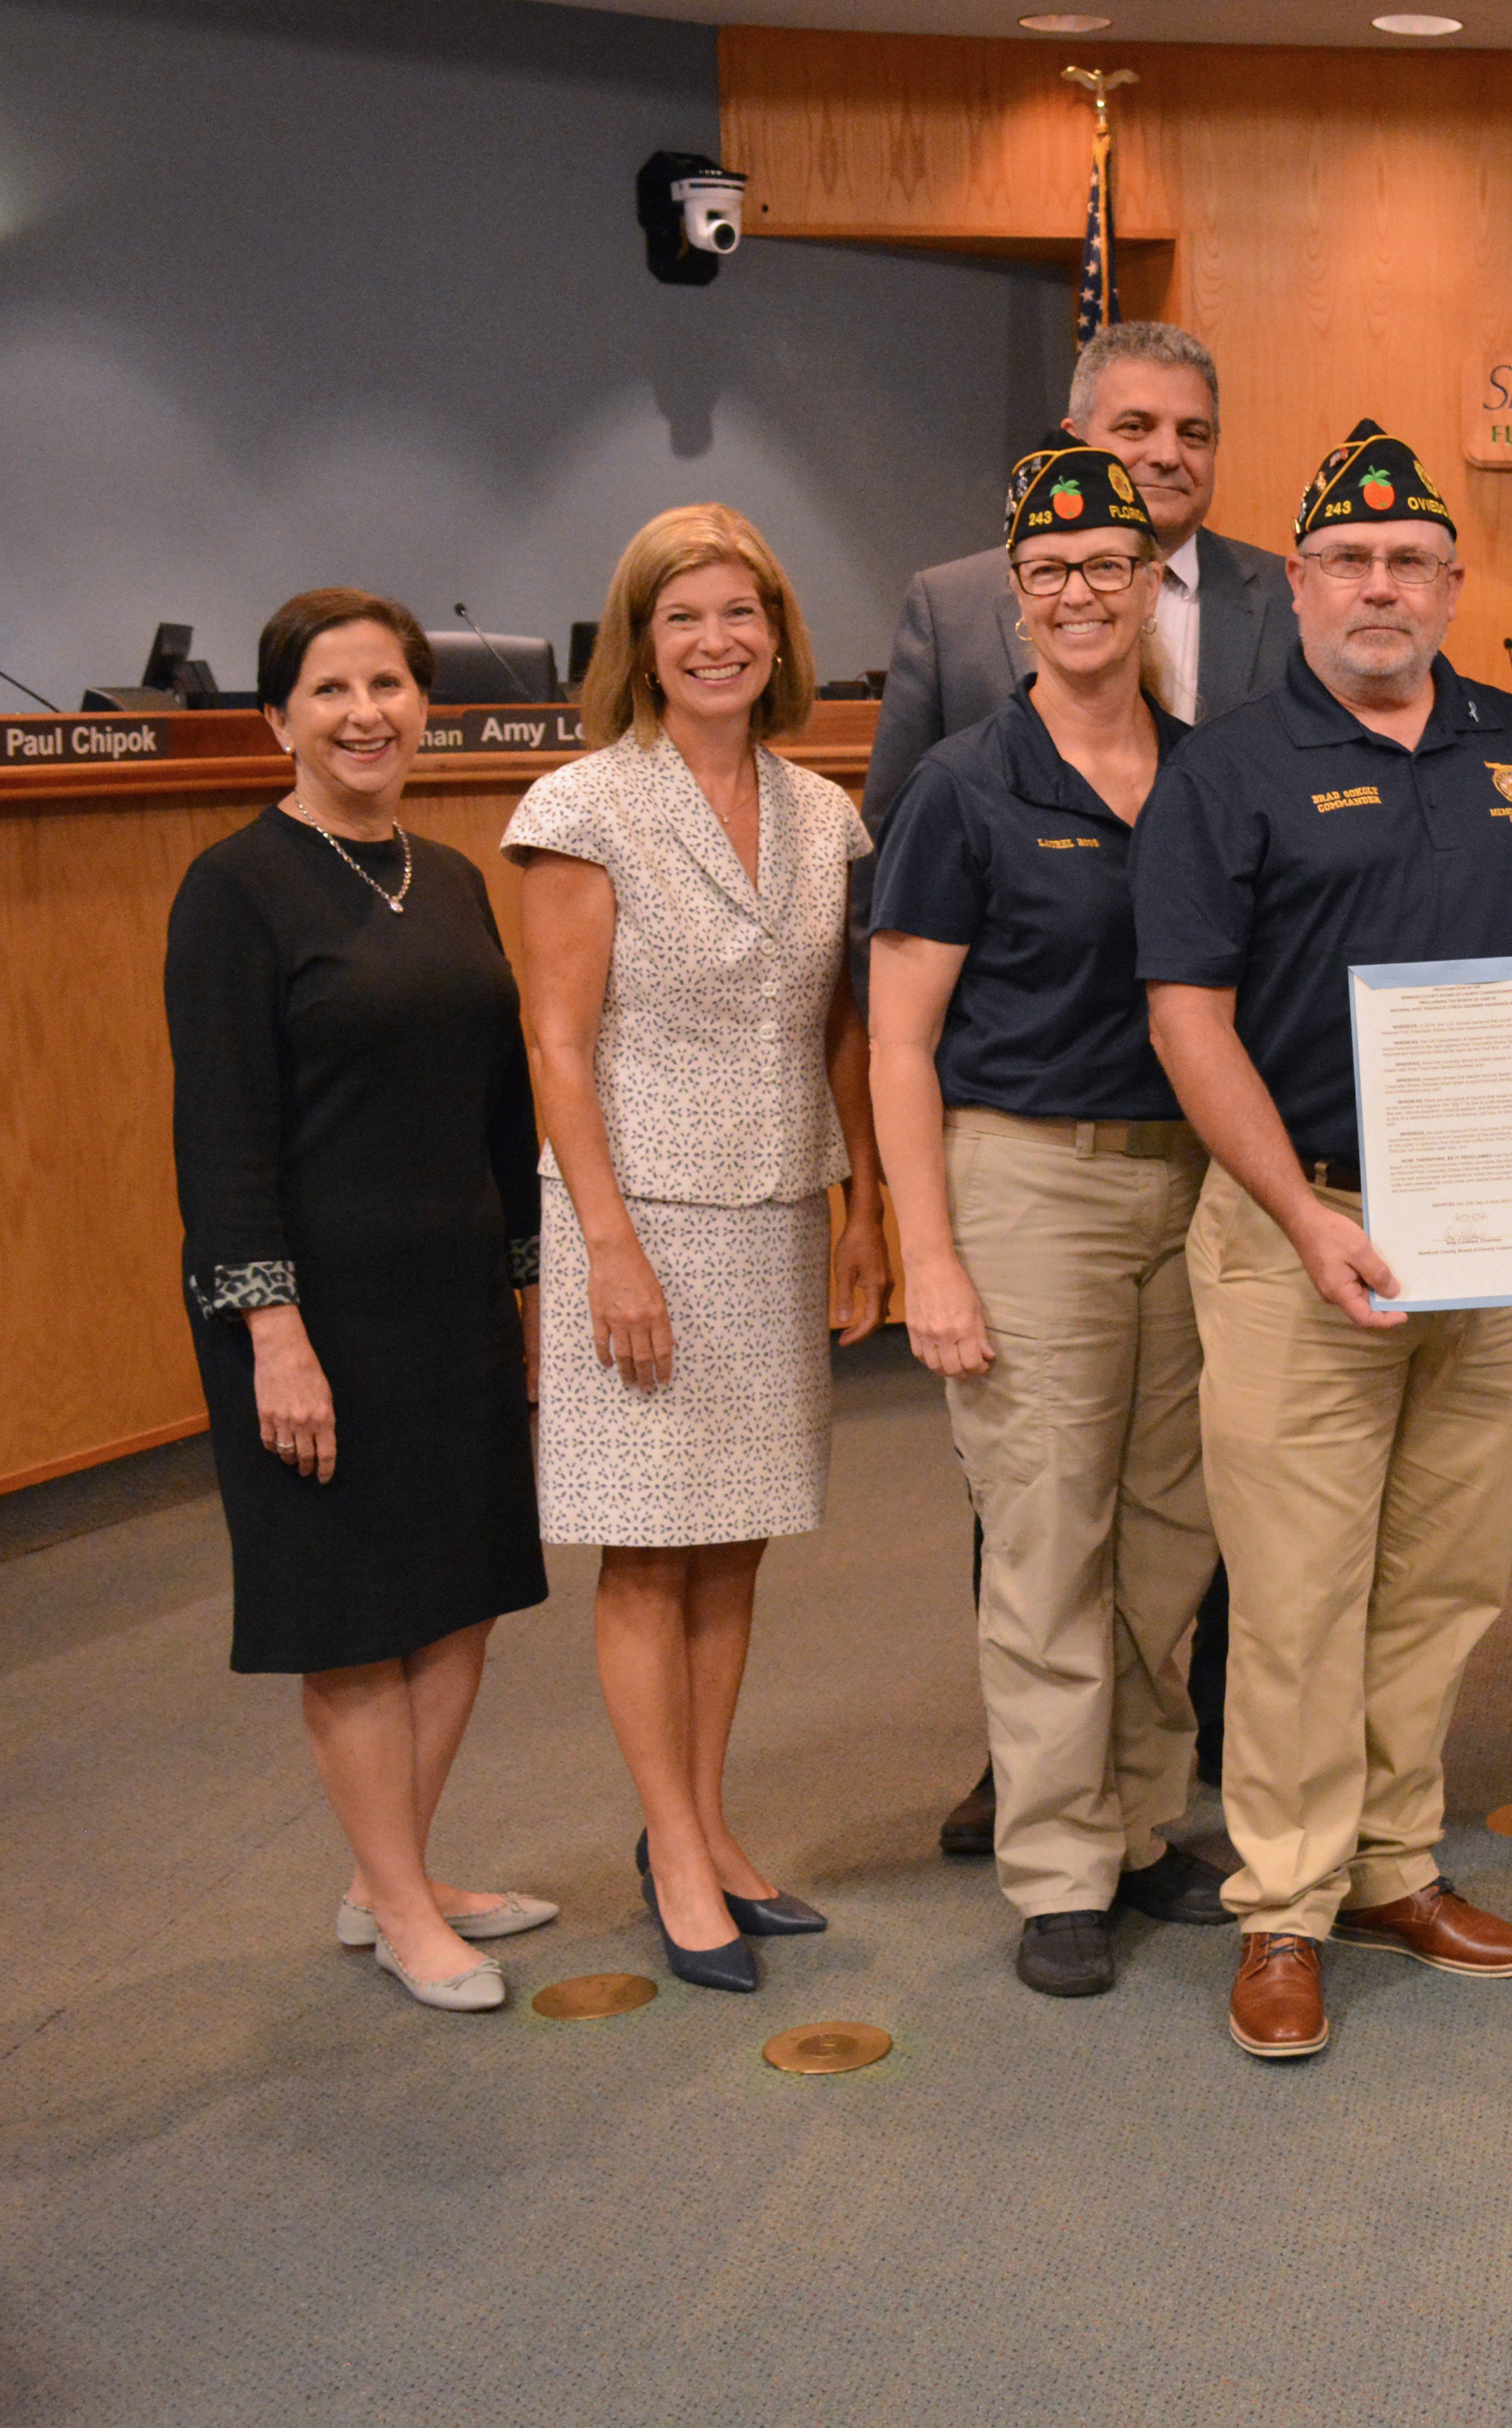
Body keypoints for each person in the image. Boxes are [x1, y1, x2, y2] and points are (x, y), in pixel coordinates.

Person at [1135, 418, 1512, 2062]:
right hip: (1310, 1226)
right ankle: (1282, 1903)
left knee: (1441, 1573)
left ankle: (1393, 1863)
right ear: (1300, 584)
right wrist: (1296, 1213)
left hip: (1484, 1229)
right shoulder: (1229, 765)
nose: (1378, 586)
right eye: (1347, 559)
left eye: (1409, 560)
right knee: (1294, 1589)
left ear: (1452, 582)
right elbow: (1187, 1017)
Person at [866, 320, 1292, 1859]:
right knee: (1048, 1523)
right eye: (1050, 574)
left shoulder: (1205, 770)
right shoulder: (963, 785)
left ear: (1143, 585)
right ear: (1017, 596)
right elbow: (898, 1033)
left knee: (1171, 1526)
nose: (1080, 595)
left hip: (1191, 1178)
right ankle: (1056, 1859)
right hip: (1026, 1174)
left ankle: (1145, 1816)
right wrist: (926, 1251)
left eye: (1107, 569)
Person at [508, 503, 890, 1996]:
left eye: (742, 613)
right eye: (685, 618)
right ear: (640, 643)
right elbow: (554, 1042)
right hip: (643, 1209)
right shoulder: (582, 804)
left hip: (779, 1203)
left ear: (780, 634)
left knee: (735, 1539)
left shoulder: (825, 809)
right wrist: (602, 1242)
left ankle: (712, 1826)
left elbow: (839, 1030)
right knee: (649, 1549)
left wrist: (861, 1207)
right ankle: (670, 1847)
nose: (718, 639)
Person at [166, 589, 557, 2015]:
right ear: (278, 717)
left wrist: (525, 1290)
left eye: (388, 683)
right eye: (330, 688)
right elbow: (221, 1136)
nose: (365, 712)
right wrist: (274, 1332)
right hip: (311, 1317)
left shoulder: (448, 876)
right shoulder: (235, 887)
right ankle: (399, 1903)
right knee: (349, 1612)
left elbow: (502, 1103)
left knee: (460, 1595)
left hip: (452, 1298)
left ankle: (390, 1869)